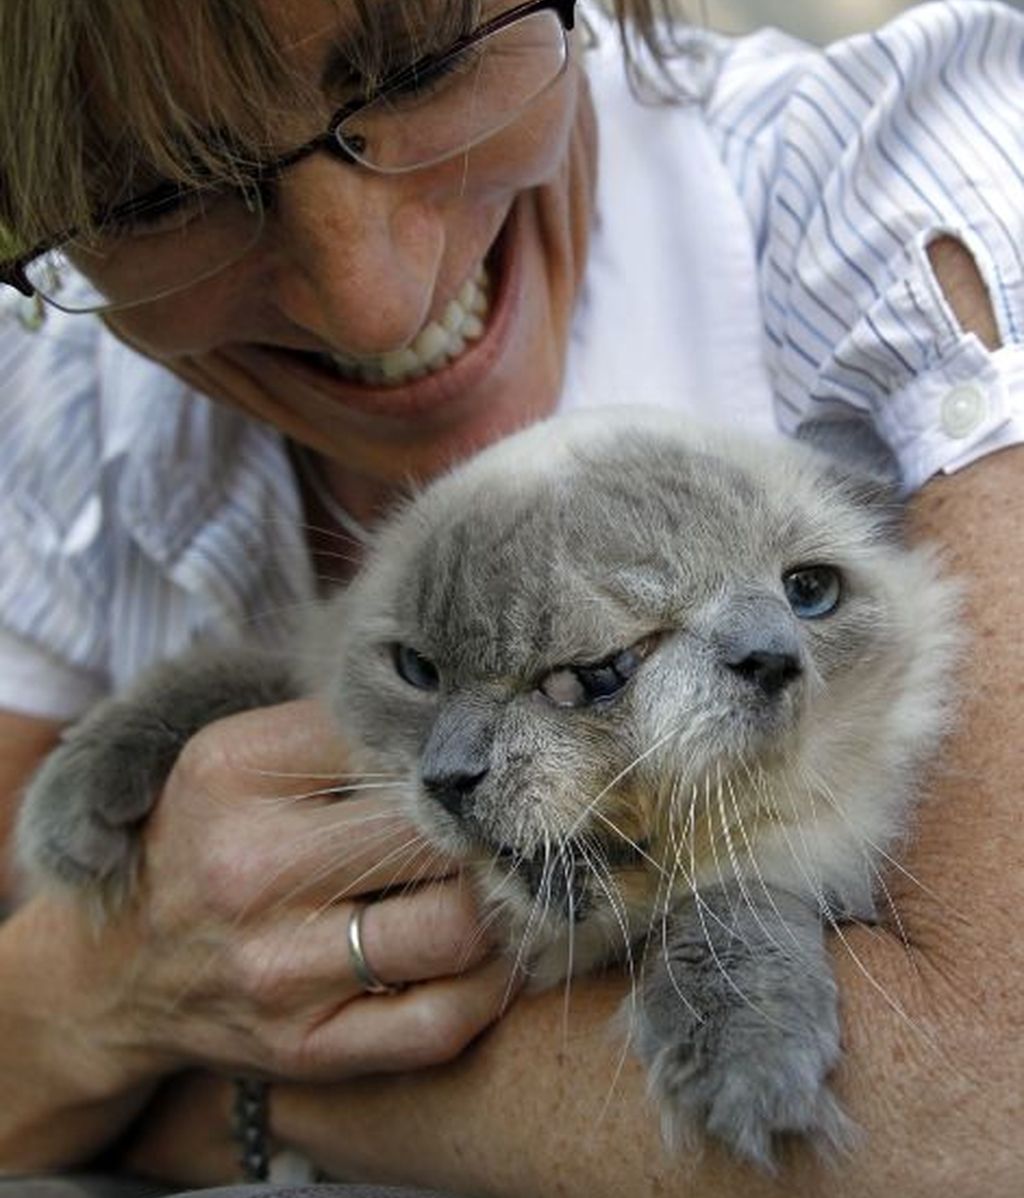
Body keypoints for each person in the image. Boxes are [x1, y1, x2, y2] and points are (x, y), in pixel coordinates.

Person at [0, 0, 1022, 1194]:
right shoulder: (58, 396)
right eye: (152, 197)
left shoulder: (915, 184)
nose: (369, 300)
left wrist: (197, 1092)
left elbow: (974, 1110)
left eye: (425, 66)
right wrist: (77, 1002)